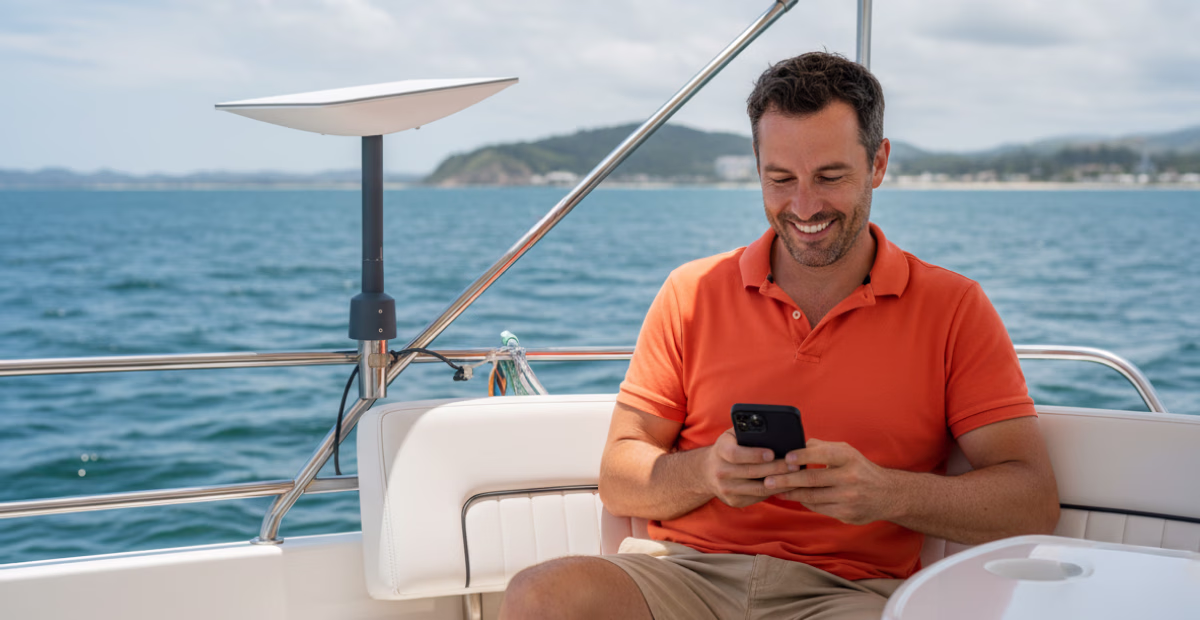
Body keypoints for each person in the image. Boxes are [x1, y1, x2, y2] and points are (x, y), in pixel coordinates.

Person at [498, 51, 1059, 620]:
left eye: (831, 177)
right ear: (756, 166)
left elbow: (1031, 502)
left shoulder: (954, 307)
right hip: (680, 573)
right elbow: (620, 478)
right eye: (781, 179)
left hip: (846, 595)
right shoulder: (689, 292)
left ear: (879, 163)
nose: (804, 206)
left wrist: (886, 493)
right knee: (539, 596)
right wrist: (706, 472)